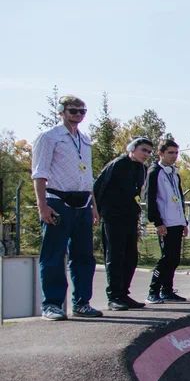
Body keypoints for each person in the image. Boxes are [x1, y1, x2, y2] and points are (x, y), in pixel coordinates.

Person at [32, 95, 101, 319]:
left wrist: (93, 205)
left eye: (82, 112)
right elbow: (39, 174)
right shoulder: (49, 137)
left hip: (82, 202)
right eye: (73, 111)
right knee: (54, 254)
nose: (78, 116)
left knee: (84, 256)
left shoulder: (85, 139)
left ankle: (82, 302)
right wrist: (42, 206)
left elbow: (87, 175)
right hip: (57, 200)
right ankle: (51, 304)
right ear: (61, 111)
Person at [94, 137, 153, 310]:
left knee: (130, 256)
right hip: (113, 215)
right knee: (115, 255)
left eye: (149, 152)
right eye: (143, 150)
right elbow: (99, 186)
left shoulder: (141, 168)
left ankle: (124, 293)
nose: (146, 154)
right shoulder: (118, 164)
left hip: (129, 215)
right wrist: (96, 210)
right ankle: (113, 296)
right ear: (132, 149)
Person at [145, 139, 188, 303]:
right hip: (164, 221)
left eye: (176, 153)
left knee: (174, 258)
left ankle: (167, 290)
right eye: (170, 152)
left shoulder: (174, 173)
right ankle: (153, 290)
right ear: (161, 153)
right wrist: (157, 222)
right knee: (166, 258)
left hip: (176, 220)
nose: (174, 156)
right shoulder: (155, 171)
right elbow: (151, 198)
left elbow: (179, 198)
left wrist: (183, 220)